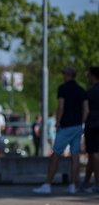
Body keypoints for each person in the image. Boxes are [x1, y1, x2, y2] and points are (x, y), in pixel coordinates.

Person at [33, 66, 88, 194]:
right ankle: (73, 185)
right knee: (75, 155)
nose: (63, 76)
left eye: (64, 74)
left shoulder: (63, 88)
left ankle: (47, 184)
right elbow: (86, 109)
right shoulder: (81, 90)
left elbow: (61, 106)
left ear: (68, 75)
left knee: (56, 154)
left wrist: (58, 122)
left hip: (66, 126)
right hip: (77, 126)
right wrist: (82, 122)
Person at [81, 66, 99, 193]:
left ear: (93, 76)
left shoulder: (89, 92)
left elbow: (86, 110)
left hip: (92, 125)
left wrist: (82, 123)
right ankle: (86, 182)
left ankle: (97, 183)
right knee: (92, 155)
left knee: (94, 154)